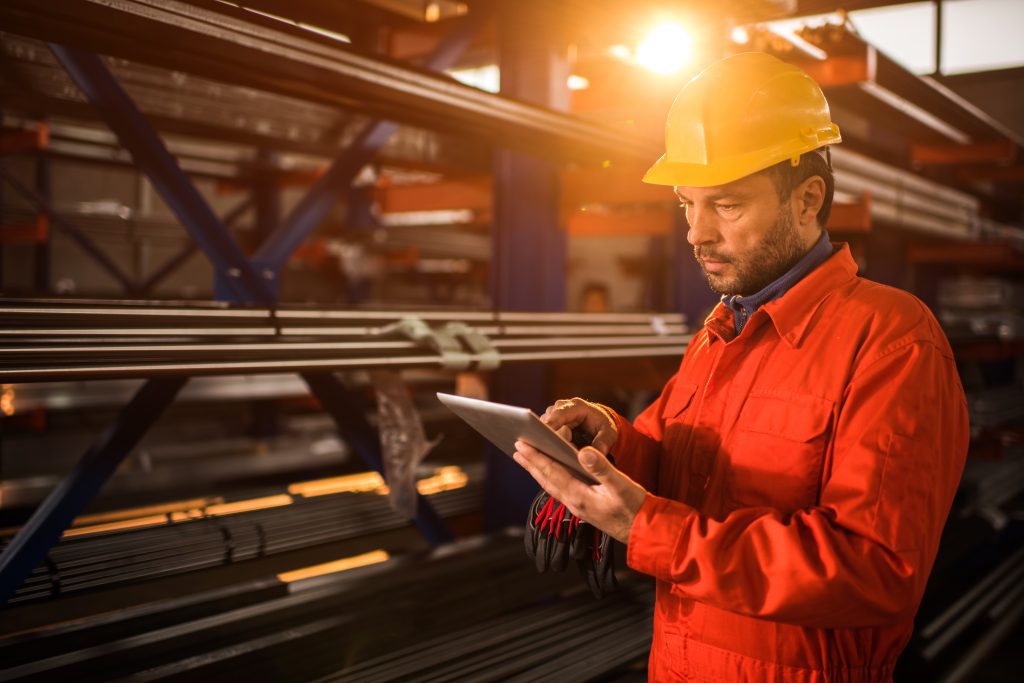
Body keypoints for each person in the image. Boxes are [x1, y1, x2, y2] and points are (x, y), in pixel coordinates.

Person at [512, 52, 969, 682]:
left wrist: (648, 528)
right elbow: (678, 462)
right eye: (686, 206)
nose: (697, 234)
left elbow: (873, 569)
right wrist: (612, 441)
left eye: (726, 206)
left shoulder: (892, 341)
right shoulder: (720, 332)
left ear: (808, 199)